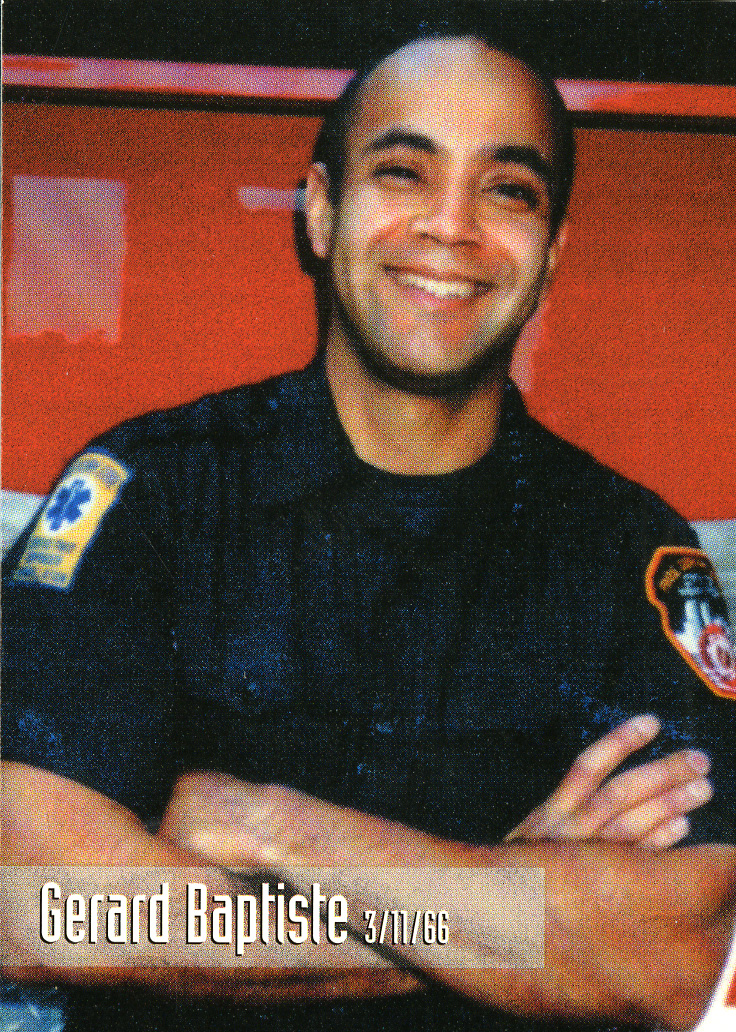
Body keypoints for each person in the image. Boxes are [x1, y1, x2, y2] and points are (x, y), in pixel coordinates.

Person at [3, 31, 735, 1032]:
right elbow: (41, 909)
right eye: (404, 171)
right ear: (319, 208)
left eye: (507, 190)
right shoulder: (151, 494)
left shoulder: (624, 552)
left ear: (552, 252)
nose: (451, 226)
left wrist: (273, 828)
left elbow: (681, 954)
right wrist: (512, 908)